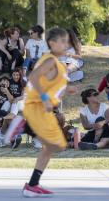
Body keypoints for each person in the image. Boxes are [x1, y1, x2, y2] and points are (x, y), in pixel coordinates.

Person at [21, 27, 78, 197]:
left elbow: (52, 85)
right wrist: (45, 99)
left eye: (67, 41)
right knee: (57, 145)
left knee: (52, 147)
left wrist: (68, 90)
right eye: (62, 41)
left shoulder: (58, 64)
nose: (66, 44)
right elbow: (33, 77)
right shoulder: (51, 61)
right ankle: (25, 127)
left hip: (42, 108)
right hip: (37, 106)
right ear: (52, 43)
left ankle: (32, 185)